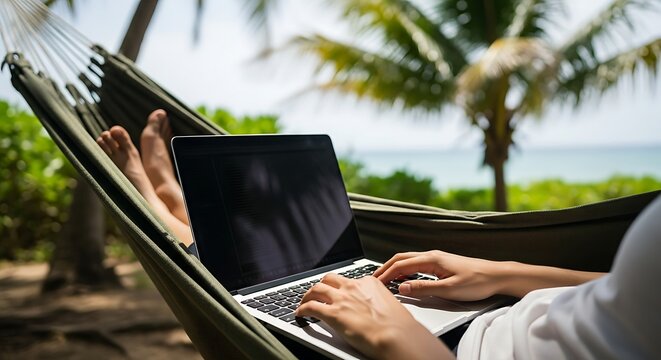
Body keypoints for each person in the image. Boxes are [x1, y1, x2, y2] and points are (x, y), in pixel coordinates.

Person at [97, 110, 661, 359]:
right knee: (261, 268)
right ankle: (171, 198)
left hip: (432, 351)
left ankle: (161, 197)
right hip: (485, 318)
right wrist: (501, 273)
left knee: (222, 275)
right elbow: (628, 297)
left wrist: (396, 336)